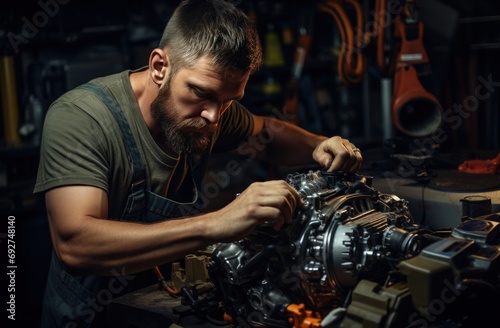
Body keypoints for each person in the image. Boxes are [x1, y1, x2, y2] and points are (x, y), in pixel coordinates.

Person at [34, 0, 363, 326]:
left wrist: (319, 144)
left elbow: (267, 135)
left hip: (164, 303)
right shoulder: (80, 118)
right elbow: (75, 245)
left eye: (228, 100)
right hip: (91, 317)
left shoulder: (211, 108)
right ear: (161, 66)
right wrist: (216, 224)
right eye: (200, 93)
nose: (214, 116)